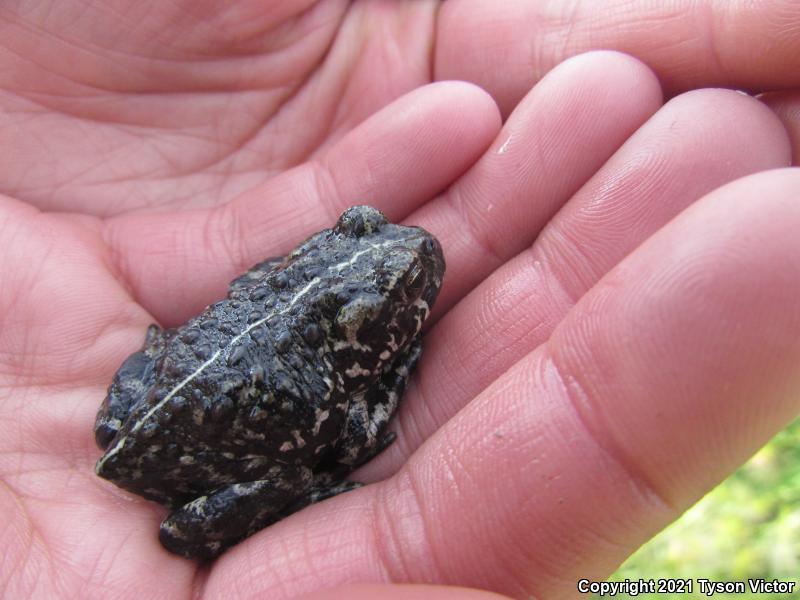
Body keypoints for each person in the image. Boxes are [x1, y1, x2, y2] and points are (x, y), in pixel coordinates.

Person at [1, 2, 798, 598]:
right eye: (395, 298)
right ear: (368, 329)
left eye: (367, 229)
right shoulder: (338, 371)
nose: (404, 249)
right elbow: (355, 436)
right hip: (191, 473)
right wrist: (333, 454)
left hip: (154, 402)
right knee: (294, 470)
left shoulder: (300, 284)